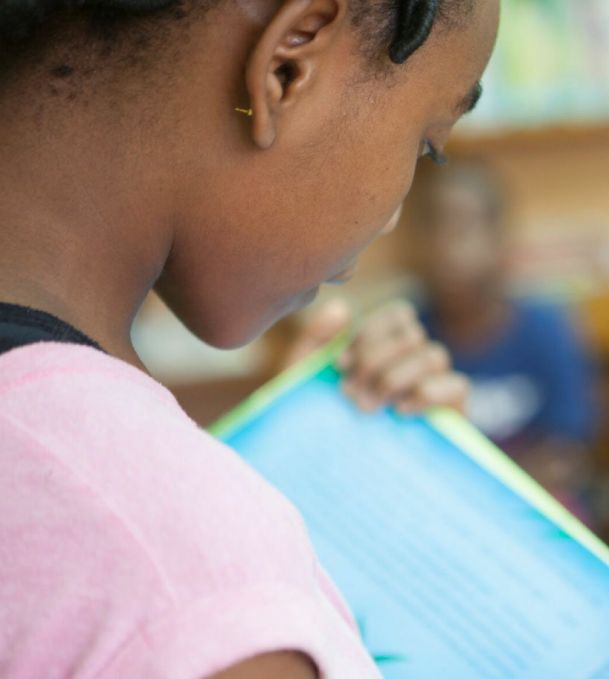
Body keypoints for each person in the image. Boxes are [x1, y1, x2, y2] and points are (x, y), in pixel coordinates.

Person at [0, 2, 498, 678]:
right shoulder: (207, 598)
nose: (389, 220)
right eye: (426, 143)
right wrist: (227, 540)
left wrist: (266, 488)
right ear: (288, 63)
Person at [409, 160, 597, 518]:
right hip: (445, 513)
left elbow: (568, 453)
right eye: (434, 226)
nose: (446, 246)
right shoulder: (411, 336)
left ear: (499, 238)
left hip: (533, 508)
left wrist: (486, 499)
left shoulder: (546, 329)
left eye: (464, 227)